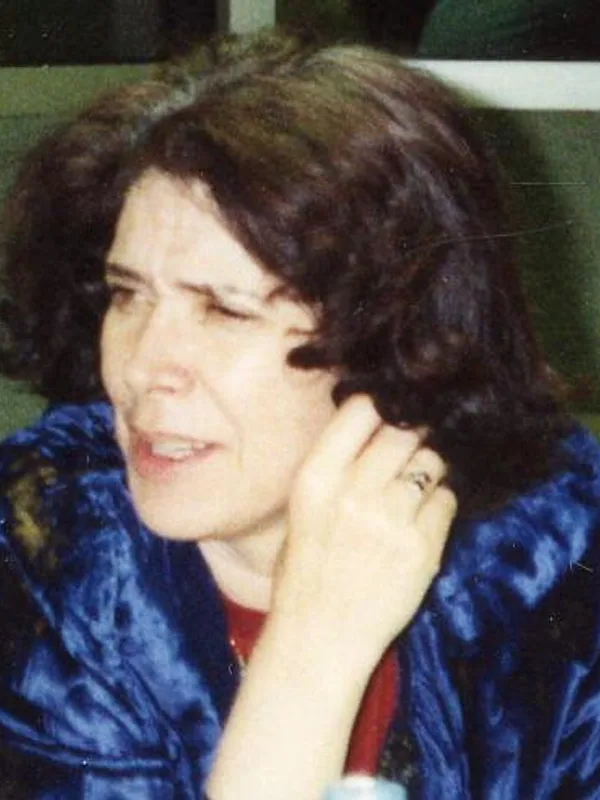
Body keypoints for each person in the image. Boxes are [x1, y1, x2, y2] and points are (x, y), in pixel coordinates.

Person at [1, 33, 600, 800]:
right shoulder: (50, 558)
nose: (143, 365)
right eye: (128, 295)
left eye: (224, 310)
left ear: (393, 338)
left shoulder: (551, 551)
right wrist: (312, 649)